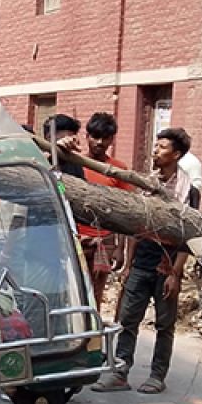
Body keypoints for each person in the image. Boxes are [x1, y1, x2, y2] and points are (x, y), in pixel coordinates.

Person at [93, 128, 199, 395]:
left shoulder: (189, 192)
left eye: (162, 147)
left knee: (165, 324)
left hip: (167, 265)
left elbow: (189, 236)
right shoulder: (146, 186)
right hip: (141, 262)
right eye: (156, 145)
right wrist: (128, 265)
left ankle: (157, 376)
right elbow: (134, 227)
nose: (155, 150)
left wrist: (176, 273)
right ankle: (120, 371)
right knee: (128, 319)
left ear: (176, 154)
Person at [71, 112, 132, 311]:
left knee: (94, 298)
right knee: (73, 293)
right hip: (75, 240)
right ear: (87, 136)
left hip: (103, 243)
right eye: (95, 137)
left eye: (105, 138)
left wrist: (120, 249)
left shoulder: (118, 170)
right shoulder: (73, 164)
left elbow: (125, 212)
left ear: (112, 140)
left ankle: (91, 338)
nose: (99, 142)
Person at [42, 114, 86, 178]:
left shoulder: (75, 165)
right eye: (64, 139)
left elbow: (60, 186)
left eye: (72, 139)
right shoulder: (35, 159)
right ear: (48, 137)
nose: (68, 143)